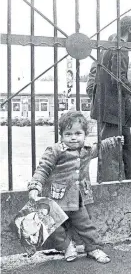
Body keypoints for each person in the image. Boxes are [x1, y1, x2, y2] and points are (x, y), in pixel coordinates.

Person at [27, 110, 124, 262]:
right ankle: (67, 247)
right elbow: (43, 168)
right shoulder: (55, 151)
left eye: (78, 133)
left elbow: (99, 147)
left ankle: (93, 248)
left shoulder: (86, 150)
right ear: (61, 135)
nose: (73, 137)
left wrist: (113, 142)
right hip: (57, 200)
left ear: (85, 134)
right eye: (68, 134)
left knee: (86, 226)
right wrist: (35, 185)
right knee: (55, 229)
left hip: (78, 200)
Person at [91, 16, 131, 182]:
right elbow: (118, 78)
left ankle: (128, 183)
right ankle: (113, 188)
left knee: (121, 152)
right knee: (112, 154)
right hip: (113, 109)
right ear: (130, 29)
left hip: (108, 108)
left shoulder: (109, 46)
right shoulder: (121, 47)